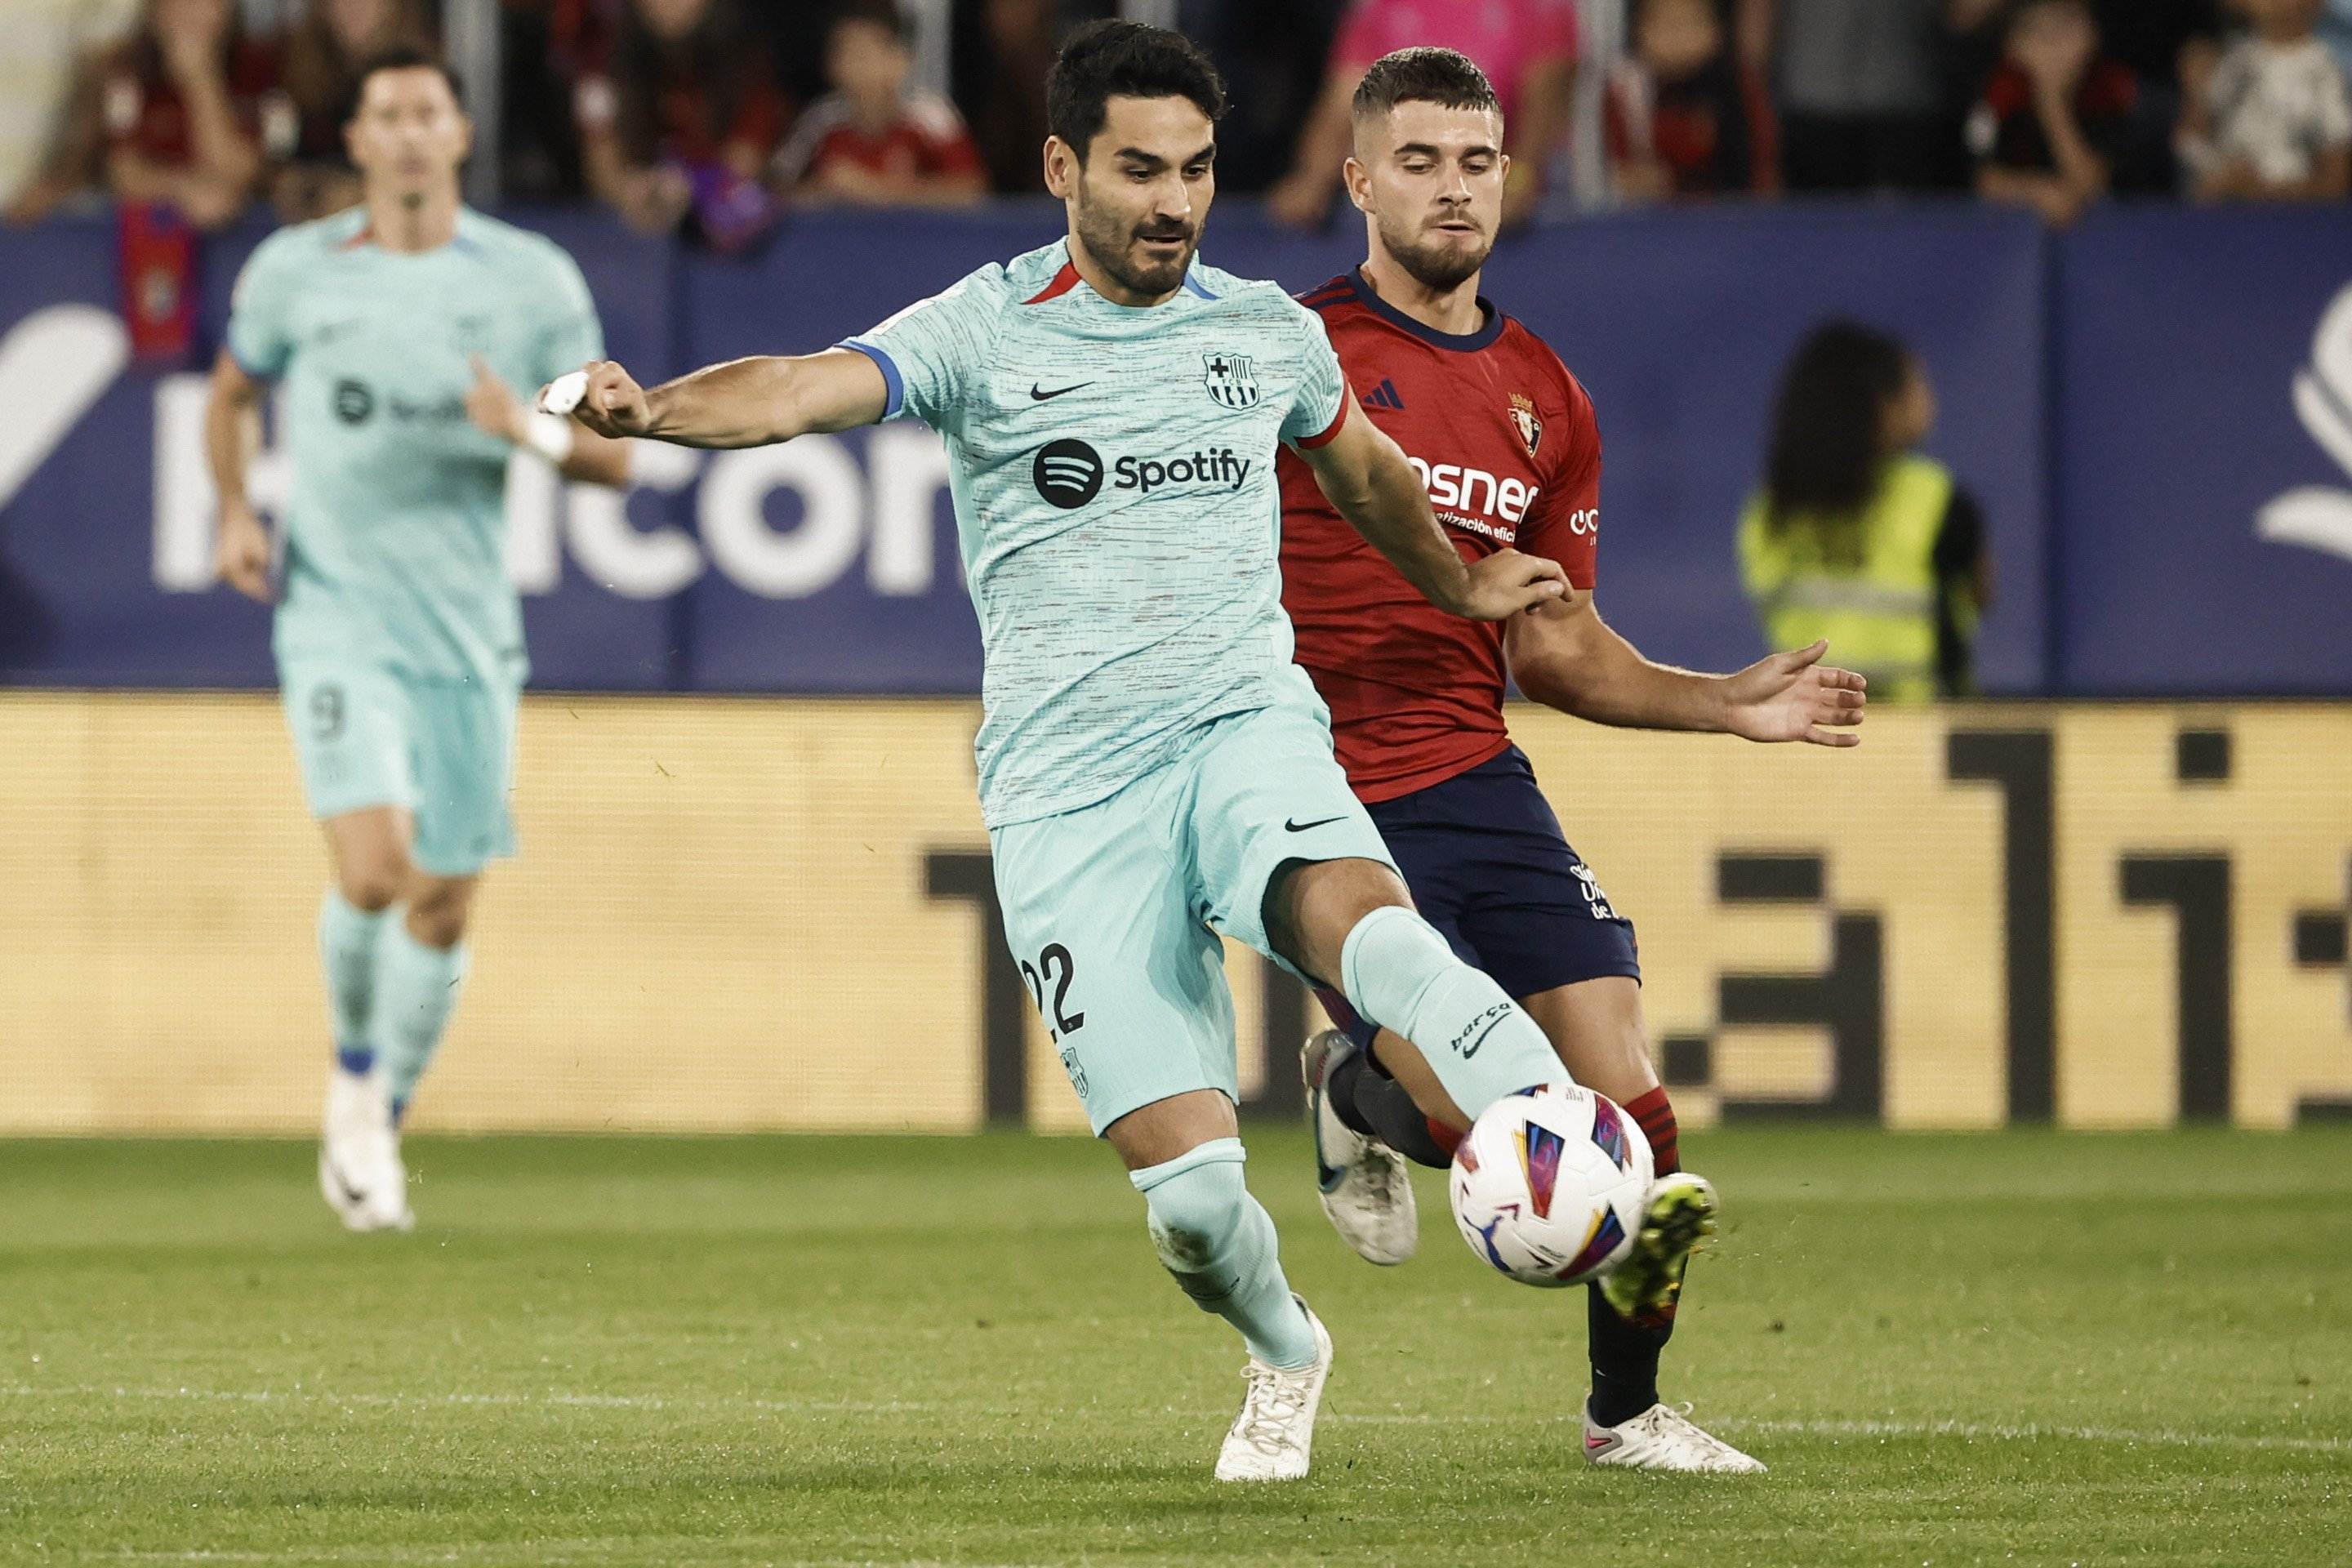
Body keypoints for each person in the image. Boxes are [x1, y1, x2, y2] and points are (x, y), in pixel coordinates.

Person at [547, 20, 1668, 1486]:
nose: (1174, 205)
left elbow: (1369, 474)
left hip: (1239, 727)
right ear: (1064, 165)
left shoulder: (1261, 329)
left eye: (1197, 172)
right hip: (1071, 791)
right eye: (1141, 171)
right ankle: (1285, 1347)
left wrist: (1458, 586)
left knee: (1375, 937)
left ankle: (1562, 1147)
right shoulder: (984, 331)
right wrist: (659, 410)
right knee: (1194, 1208)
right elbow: (804, 384)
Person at [1278, 45, 1864, 1477]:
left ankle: (1625, 1415)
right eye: (1417, 161)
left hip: (1474, 777)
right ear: (1358, 179)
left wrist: (1722, 700)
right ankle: (1352, 1093)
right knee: (1459, 1112)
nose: (1452, 188)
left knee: (1636, 1118)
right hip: (1313, 783)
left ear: (1509, 178)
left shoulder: (1547, 394)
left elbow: (1553, 645)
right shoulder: (1288, 353)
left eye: (1475, 161)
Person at [204, 47, 634, 1233]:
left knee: (444, 903)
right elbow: (231, 393)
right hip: (336, 612)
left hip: (465, 633)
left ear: (458, 135)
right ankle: (352, 1078)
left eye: (424, 114)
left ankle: (379, 1117)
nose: (403, 135)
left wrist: (526, 432)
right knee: (373, 871)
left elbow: (618, 456)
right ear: (355, 140)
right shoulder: (296, 273)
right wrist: (236, 510)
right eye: (382, 116)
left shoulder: (530, 280)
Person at [1738, 322, 1989, 703]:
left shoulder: (1766, 515)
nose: (1928, 399)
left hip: (1810, 725)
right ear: (1882, 406)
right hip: (1925, 732)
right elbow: (1982, 591)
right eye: (1916, 385)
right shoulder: (1936, 499)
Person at [1267, 0, 1580, 229]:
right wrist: (1311, 179)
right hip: (1401, 214)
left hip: (1513, 218)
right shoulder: (1380, 8)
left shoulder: (1540, 7)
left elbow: (1547, 104)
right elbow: (1342, 104)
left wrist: (1514, 184)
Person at [573, 0, 786, 239]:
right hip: (631, 235)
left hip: (722, 230)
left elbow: (747, 156)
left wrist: (692, 186)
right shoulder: (602, 61)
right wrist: (627, 190)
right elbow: (600, 152)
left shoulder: (748, 57)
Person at [96, 0, 292, 231]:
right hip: (150, 224)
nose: (191, 11)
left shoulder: (261, 70)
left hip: (244, 229)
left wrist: (200, 79)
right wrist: (180, 189)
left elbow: (241, 174)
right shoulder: (128, 69)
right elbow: (123, 170)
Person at [772, 0, 986, 208]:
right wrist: (820, 190)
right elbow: (773, 190)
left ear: (900, 61)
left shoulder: (932, 117)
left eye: (864, 55)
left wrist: (872, 189)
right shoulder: (820, 121)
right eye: (843, 54)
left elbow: (970, 191)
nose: (854, 68)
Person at [1968, 0, 2142, 226]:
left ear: (2092, 36)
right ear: (2014, 45)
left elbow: (2094, 189)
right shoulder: (1998, 92)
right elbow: (1981, 177)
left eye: (2067, 29)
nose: (2054, 47)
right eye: (2041, 33)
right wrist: (2034, 193)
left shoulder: (2111, 91)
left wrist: (2051, 103)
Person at [2177, 0, 2352, 204]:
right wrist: (2195, 95)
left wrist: (2262, 189)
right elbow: (2190, 142)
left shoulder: (2324, 72)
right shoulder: (2233, 62)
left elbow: (2337, 178)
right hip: (2227, 215)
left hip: (2297, 217)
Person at [272, 0, 430, 221]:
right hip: (313, 228)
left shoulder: (426, 79)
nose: (353, 5)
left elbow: (432, 178)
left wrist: (359, 195)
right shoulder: (300, 70)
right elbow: (281, 161)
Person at [1606, 0, 1776, 201]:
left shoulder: (1740, 86)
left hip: (1733, 219)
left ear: (1717, 30)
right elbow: (1624, 171)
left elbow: (1762, 170)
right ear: (1638, 29)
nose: (1678, 37)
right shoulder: (1625, 90)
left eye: (1691, 22)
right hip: (1654, 223)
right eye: (1666, 24)